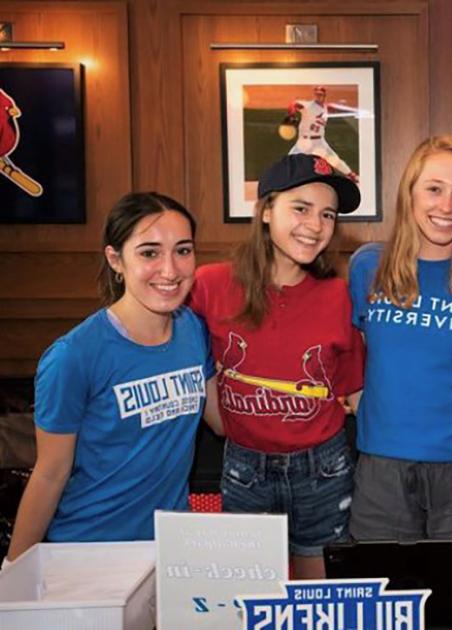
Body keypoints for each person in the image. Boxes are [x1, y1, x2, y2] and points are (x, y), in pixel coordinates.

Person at [347, 135, 452, 585]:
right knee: (383, 614)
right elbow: (348, 362)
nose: (447, 205)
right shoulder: (368, 266)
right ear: (410, 192)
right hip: (382, 473)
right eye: (434, 188)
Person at [6, 192, 213, 562]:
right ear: (116, 259)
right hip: (90, 551)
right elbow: (50, 474)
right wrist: (14, 570)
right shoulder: (73, 356)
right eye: (149, 253)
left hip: (171, 547)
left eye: (183, 251)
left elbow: (225, 421)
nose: (170, 270)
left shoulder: (194, 331)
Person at [189, 153, 365, 579]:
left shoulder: (339, 296)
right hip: (244, 469)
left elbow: (356, 393)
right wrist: (219, 418)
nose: (316, 225)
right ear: (266, 210)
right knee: (246, 604)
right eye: (300, 208)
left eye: (328, 214)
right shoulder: (209, 285)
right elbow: (174, 350)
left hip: (323, 469)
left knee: (317, 605)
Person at [287, 86, 358, 181]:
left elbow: (337, 108)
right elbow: (293, 104)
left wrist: (355, 112)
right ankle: (282, 178)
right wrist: (292, 114)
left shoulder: (325, 108)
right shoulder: (308, 105)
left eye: (320, 94)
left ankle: (350, 175)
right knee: (290, 160)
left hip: (319, 142)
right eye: (317, 94)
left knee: (334, 159)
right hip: (304, 142)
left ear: (324, 96)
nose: (318, 96)